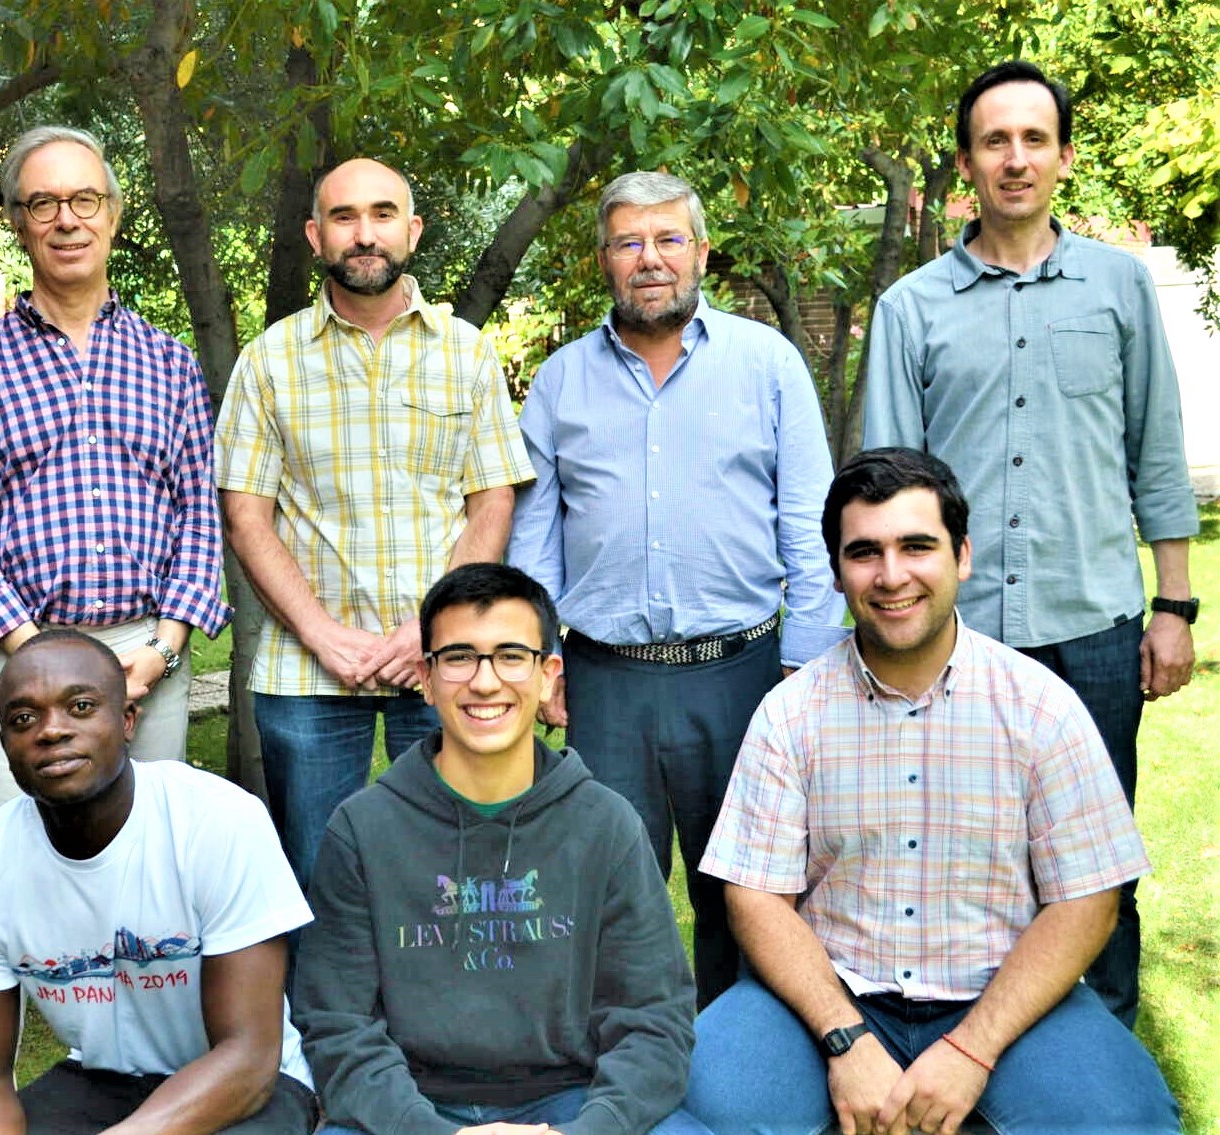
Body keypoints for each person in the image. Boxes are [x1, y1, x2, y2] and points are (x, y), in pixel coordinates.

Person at [685, 448, 1181, 1135]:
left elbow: (1087, 901)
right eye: (864, 552)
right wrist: (842, 1037)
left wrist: (972, 1046)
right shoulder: (789, 712)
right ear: (836, 571)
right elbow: (754, 893)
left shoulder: (1041, 707)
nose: (891, 575)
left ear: (962, 555)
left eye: (916, 545)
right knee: (691, 1106)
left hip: (1004, 996)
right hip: (829, 993)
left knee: (1126, 1118)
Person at [863, 61, 1200, 1028]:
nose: (1014, 159)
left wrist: (1172, 605)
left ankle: (1101, 1065)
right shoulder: (911, 308)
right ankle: (966, 1050)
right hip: (953, 639)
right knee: (958, 854)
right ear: (965, 161)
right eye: (993, 141)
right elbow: (886, 487)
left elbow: (1157, 452)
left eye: (1033, 140)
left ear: (1061, 156)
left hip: (1091, 623)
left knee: (1095, 865)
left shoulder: (1121, 286)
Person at [508, 170, 847, 1007]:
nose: (648, 259)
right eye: (628, 242)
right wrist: (539, 661)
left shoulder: (766, 363)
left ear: (698, 252)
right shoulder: (558, 383)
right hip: (603, 680)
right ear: (603, 261)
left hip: (740, 675)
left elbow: (810, 522)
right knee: (605, 888)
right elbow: (533, 539)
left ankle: (738, 1066)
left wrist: (799, 666)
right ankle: (624, 1063)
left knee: (746, 889)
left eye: (666, 240)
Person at [294, 562, 706, 1135]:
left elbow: (654, 1020)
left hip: (573, 1101)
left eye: (511, 656)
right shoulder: (363, 829)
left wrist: (589, 1130)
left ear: (548, 675)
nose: (485, 682)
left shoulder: (606, 825)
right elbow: (337, 1025)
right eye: (459, 657)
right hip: (407, 1107)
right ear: (426, 677)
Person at [216, 157, 533, 887]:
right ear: (315, 234)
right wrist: (323, 634)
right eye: (344, 217)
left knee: (458, 870)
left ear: (412, 231)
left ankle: (446, 1006)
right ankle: (320, 1008)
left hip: (450, 663)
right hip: (307, 671)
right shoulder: (269, 363)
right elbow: (245, 516)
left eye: (383, 214)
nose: (365, 234)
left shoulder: (467, 355)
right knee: (314, 879)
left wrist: (432, 630)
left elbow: (491, 501)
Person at [0, 125, 229, 851]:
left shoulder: (170, 363)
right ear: (17, 222)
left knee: (145, 852)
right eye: (44, 203)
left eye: (84, 200)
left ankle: (136, 974)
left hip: (144, 657)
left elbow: (199, 514)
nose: (67, 219)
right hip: (19, 653)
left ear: (114, 216)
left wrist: (162, 647)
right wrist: (39, 653)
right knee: (5, 850)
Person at [0, 631, 316, 1135]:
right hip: (102, 1079)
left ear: (127, 721)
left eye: (80, 707)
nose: (52, 731)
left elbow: (248, 1057)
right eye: (24, 719)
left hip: (251, 1086)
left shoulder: (218, 821)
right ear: (6, 746)